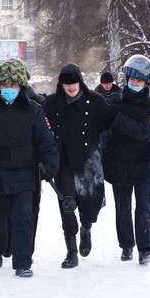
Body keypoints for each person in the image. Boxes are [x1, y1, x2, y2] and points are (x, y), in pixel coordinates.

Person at [0, 59, 59, 278]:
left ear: (21, 87)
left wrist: (49, 165)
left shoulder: (34, 110)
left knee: (23, 217)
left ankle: (23, 261)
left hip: (25, 173)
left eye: (13, 86)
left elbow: (46, 140)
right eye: (5, 86)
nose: (9, 90)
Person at [43, 63, 112, 268]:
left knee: (89, 206)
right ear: (61, 84)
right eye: (67, 83)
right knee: (67, 204)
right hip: (63, 160)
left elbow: (109, 123)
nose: (71, 87)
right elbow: (39, 122)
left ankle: (87, 227)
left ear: (80, 81)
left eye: (74, 83)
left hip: (88, 160)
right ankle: (71, 251)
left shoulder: (95, 100)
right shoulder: (52, 102)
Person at [103, 55, 150, 265]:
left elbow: (142, 131)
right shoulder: (113, 101)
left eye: (139, 81)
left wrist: (118, 119)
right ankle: (127, 245)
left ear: (147, 82)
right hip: (118, 163)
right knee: (123, 207)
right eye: (132, 79)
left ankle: (145, 249)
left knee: (144, 207)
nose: (134, 83)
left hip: (143, 163)